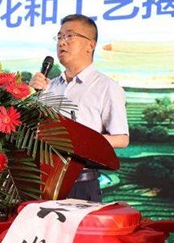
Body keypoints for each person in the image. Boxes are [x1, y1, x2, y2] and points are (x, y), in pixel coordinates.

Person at [30, 14, 129, 201]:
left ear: (90, 45)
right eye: (59, 37)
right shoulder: (49, 86)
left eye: (69, 36)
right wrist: (29, 93)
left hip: (81, 185)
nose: (62, 42)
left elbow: (122, 139)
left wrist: (79, 142)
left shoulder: (107, 87)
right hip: (42, 181)